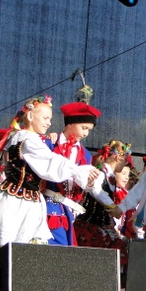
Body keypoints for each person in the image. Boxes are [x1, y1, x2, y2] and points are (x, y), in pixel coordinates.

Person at [0, 96, 114, 259]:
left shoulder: (26, 138)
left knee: (27, 252)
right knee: (14, 249)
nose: (49, 123)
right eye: (46, 118)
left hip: (30, 201)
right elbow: (49, 162)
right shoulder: (30, 139)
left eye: (50, 119)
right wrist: (78, 170)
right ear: (30, 116)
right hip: (19, 200)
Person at [43, 101, 103, 246]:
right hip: (48, 206)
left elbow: (81, 185)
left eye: (89, 130)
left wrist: (89, 183)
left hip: (69, 210)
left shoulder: (85, 154)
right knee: (55, 246)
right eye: (84, 128)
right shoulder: (50, 144)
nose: (86, 133)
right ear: (70, 123)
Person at [74, 140, 132, 259]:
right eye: (125, 160)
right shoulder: (100, 173)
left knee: (117, 253)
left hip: (104, 225)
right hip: (91, 224)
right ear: (117, 157)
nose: (125, 163)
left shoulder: (110, 176)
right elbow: (95, 190)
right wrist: (112, 206)